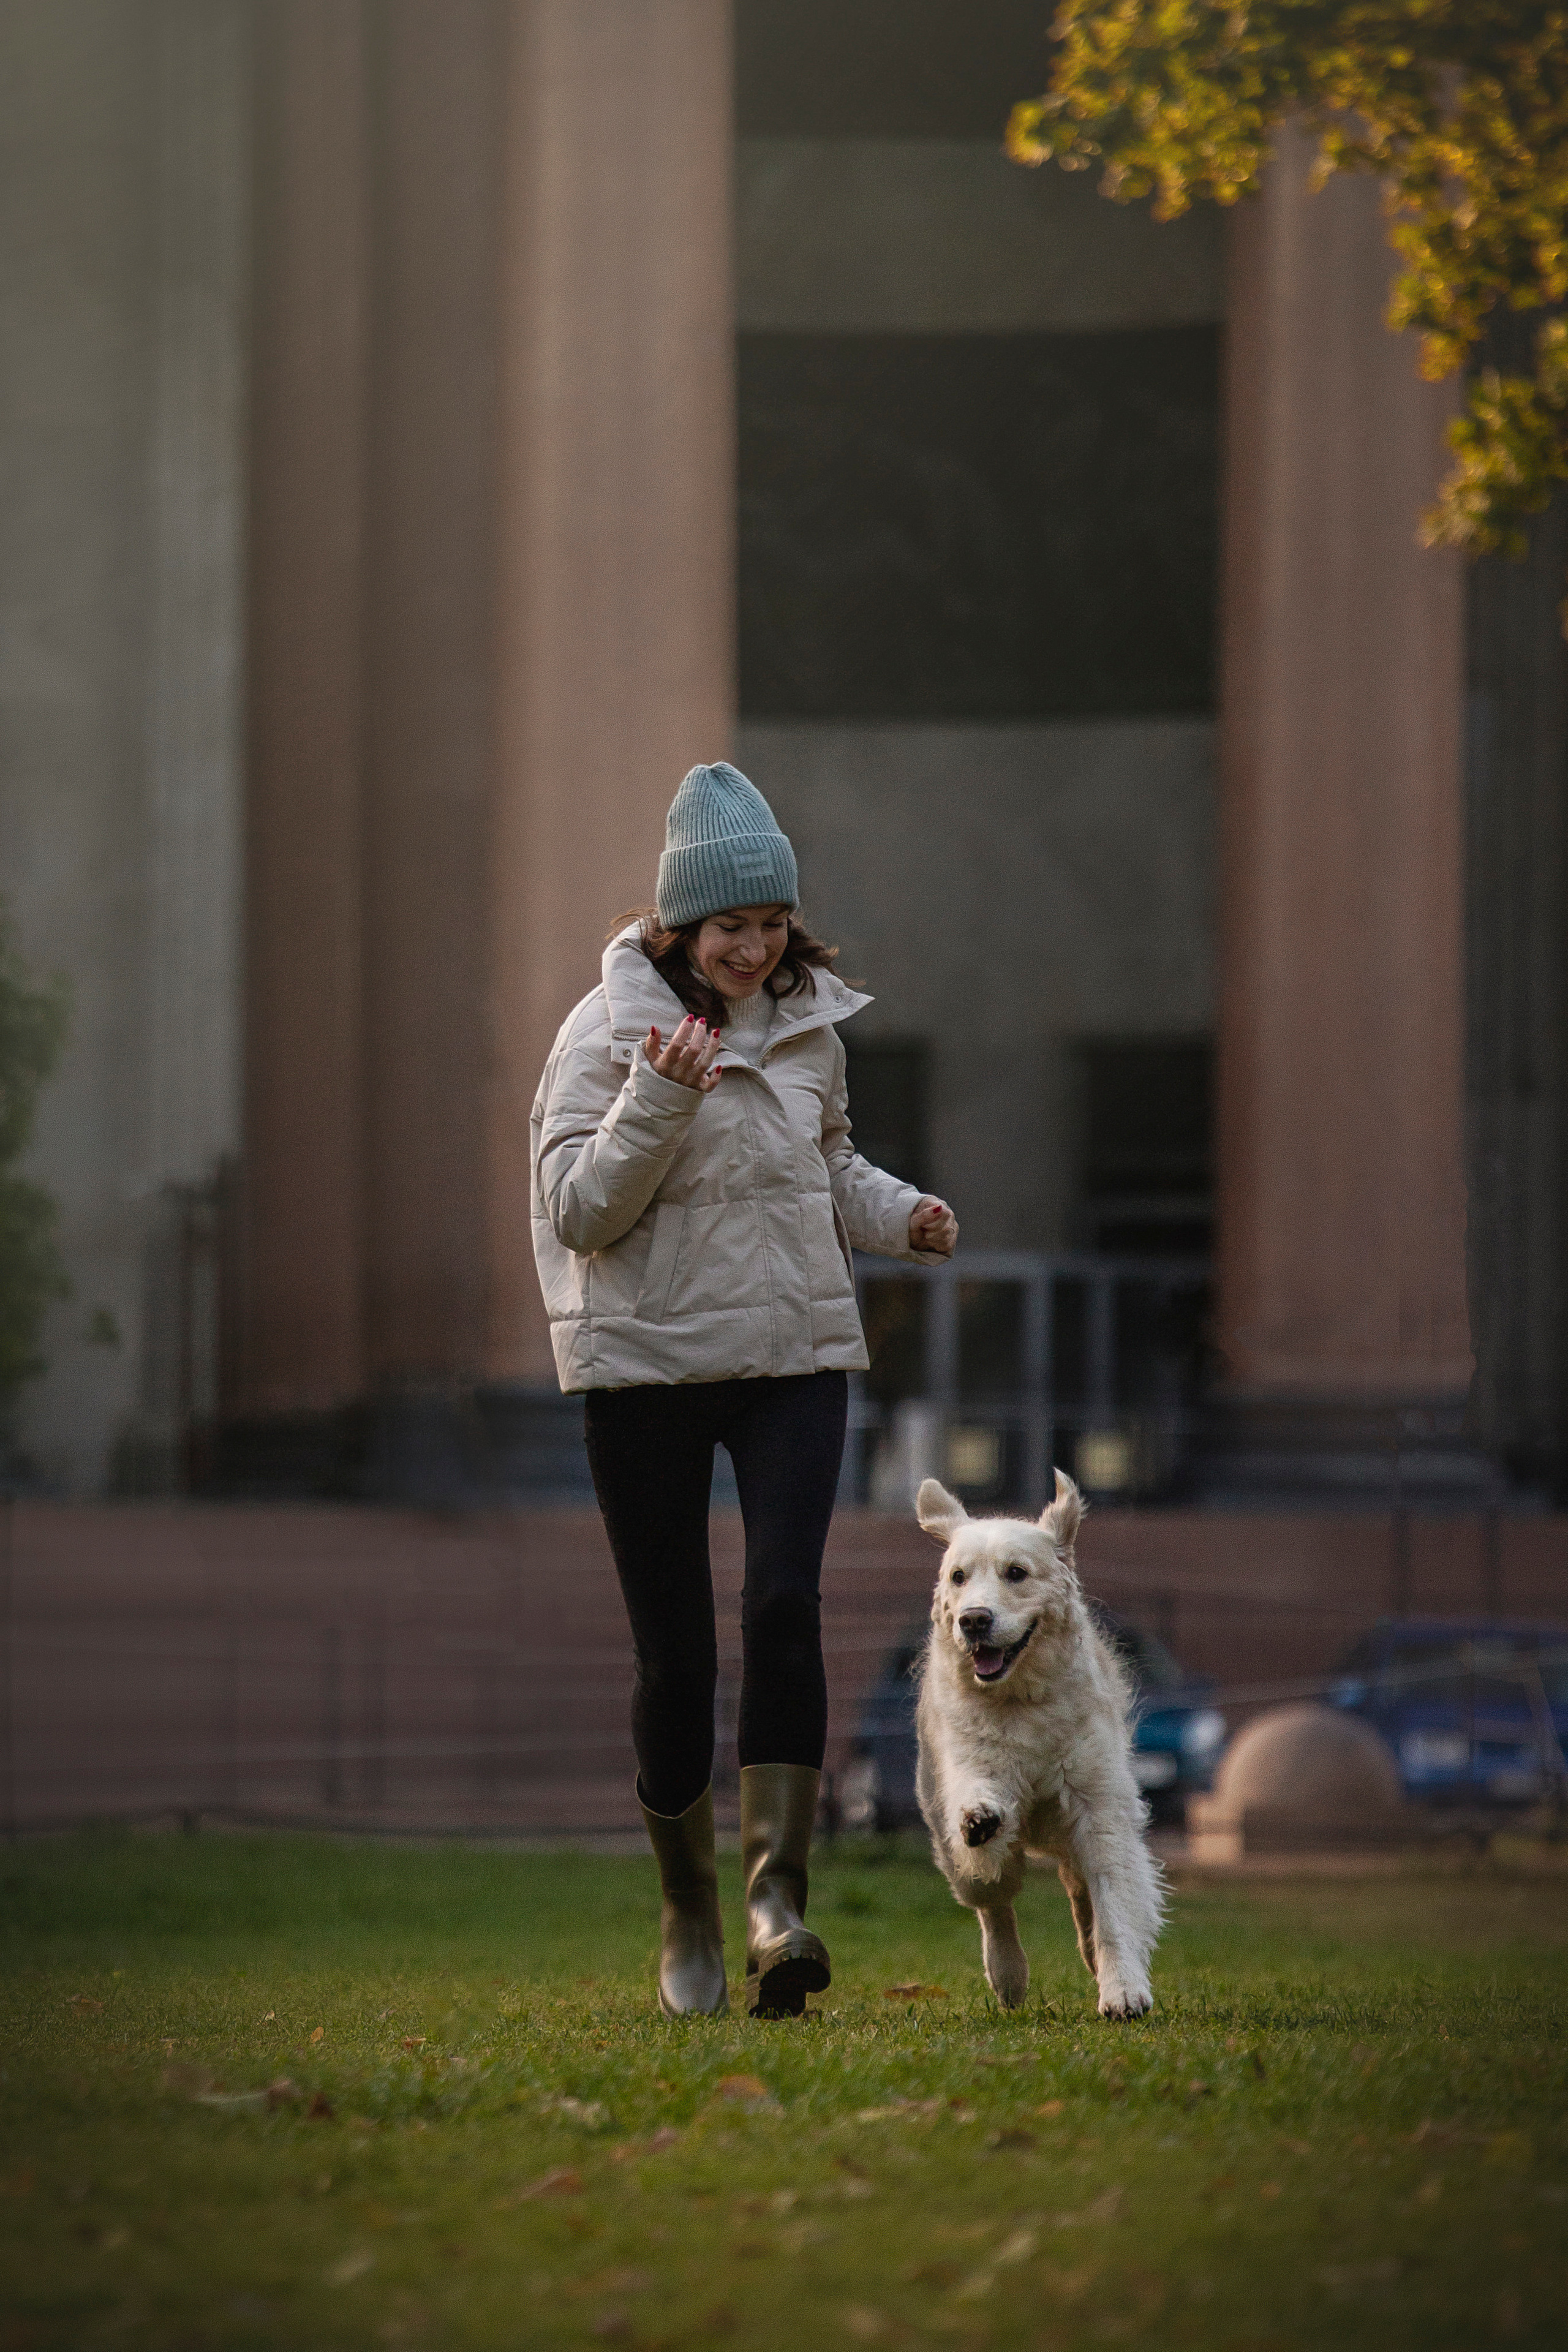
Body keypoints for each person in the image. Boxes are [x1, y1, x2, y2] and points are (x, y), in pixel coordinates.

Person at [530, 761, 957, 2018]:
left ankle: (779, 1902)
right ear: (676, 929)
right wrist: (661, 1093)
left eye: (771, 927)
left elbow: (826, 1170)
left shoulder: (809, 1023)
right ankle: (689, 1917)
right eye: (731, 930)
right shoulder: (603, 1035)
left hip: (791, 1356)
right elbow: (578, 1212)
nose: (754, 949)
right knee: (675, 1656)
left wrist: (901, 1216)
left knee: (783, 1606)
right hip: (647, 1366)